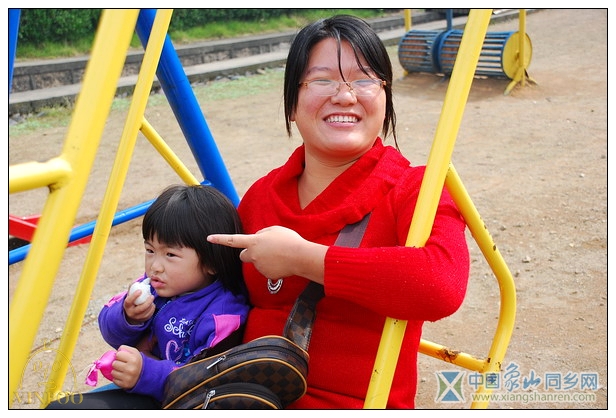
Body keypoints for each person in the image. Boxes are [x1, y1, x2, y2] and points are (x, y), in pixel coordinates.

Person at [207, 15, 470, 409]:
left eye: (364, 80)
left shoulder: (415, 188)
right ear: (292, 104)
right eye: (322, 80)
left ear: (385, 99)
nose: (345, 96)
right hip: (247, 396)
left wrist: (302, 258)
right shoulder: (263, 195)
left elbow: (440, 284)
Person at [47, 184, 250, 409]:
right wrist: (129, 318)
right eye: (150, 250)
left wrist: (146, 373)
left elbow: (206, 380)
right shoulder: (154, 285)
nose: (155, 266)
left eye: (170, 254)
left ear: (212, 261)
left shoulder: (223, 316)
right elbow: (109, 329)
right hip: (146, 391)